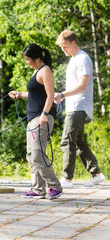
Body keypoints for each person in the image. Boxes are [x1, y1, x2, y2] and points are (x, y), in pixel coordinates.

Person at [9, 43, 63, 200]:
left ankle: (55, 187)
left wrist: (45, 114)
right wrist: (19, 94)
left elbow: (50, 95)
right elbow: (35, 94)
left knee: (38, 155)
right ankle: (38, 189)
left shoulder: (45, 71)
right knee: (31, 154)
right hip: (32, 119)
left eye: (28, 59)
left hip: (41, 119)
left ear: (37, 58)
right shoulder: (37, 72)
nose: (27, 62)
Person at [54, 30, 105, 188]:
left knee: (67, 140)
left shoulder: (83, 58)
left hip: (79, 106)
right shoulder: (74, 59)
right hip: (74, 105)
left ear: (73, 42)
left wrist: (61, 94)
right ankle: (96, 174)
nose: (63, 50)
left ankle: (67, 179)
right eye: (61, 47)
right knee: (78, 141)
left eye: (65, 46)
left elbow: (82, 85)